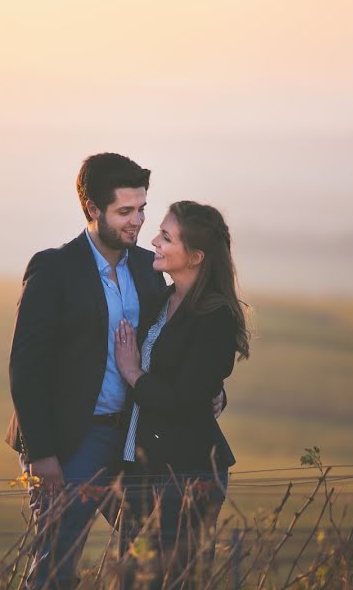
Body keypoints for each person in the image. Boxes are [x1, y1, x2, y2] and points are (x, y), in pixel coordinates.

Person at [4, 152, 166, 589]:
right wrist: (41, 453)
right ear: (93, 209)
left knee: (145, 557)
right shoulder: (54, 268)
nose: (138, 221)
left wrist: (212, 392)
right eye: (125, 211)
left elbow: (169, 345)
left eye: (143, 209)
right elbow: (26, 364)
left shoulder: (149, 269)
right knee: (56, 563)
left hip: (133, 439)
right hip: (71, 442)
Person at [113, 200, 251, 584]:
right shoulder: (161, 298)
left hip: (187, 471)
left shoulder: (215, 315)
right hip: (142, 467)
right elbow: (197, 384)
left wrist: (132, 373)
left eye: (167, 237)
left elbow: (185, 399)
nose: (154, 240)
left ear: (196, 256)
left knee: (167, 579)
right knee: (131, 578)